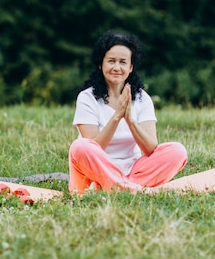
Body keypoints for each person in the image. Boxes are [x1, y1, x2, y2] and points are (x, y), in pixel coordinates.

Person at [68, 31, 187, 194]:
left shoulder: (142, 99)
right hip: (93, 175)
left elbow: (151, 148)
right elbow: (94, 148)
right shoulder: (87, 98)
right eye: (111, 61)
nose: (117, 67)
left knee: (177, 151)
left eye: (123, 62)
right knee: (80, 147)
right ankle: (134, 189)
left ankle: (119, 188)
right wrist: (117, 117)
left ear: (131, 67)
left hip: (132, 171)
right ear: (101, 64)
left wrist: (130, 120)